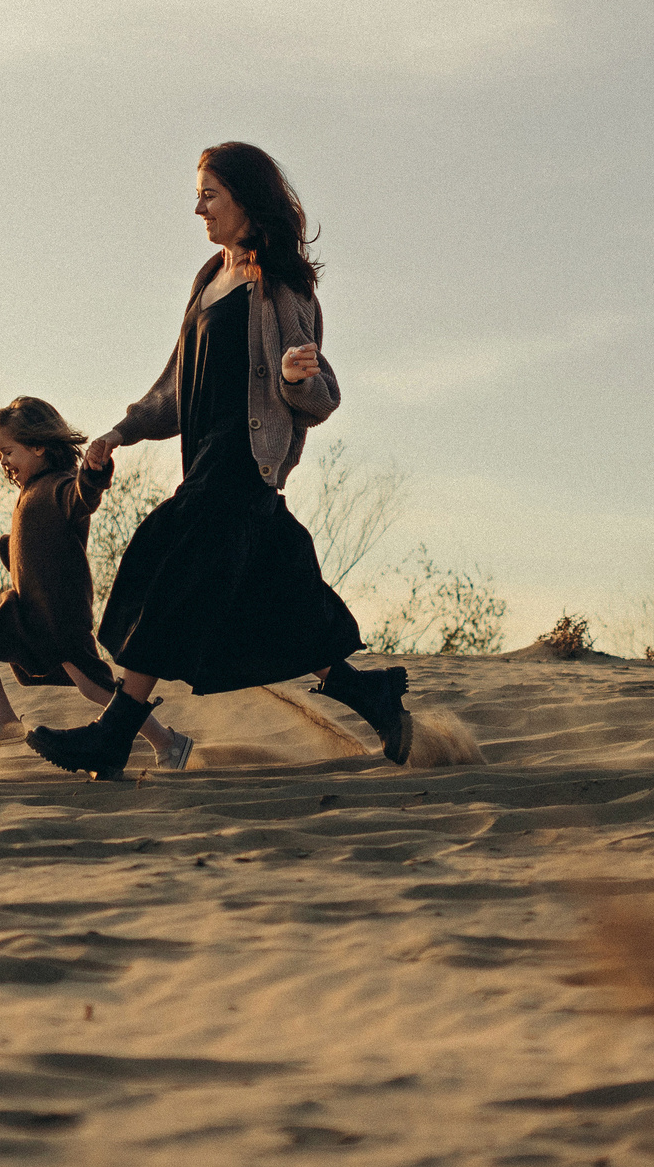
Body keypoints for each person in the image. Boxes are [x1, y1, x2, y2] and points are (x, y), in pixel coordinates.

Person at [26, 142, 410, 777]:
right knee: (275, 600)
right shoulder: (208, 279)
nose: (199, 208)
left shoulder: (279, 285)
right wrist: (122, 430)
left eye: (210, 195)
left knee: (166, 565)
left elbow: (319, 396)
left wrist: (293, 376)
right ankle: (370, 695)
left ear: (246, 202)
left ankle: (114, 735)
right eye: (199, 195)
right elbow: (179, 385)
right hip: (206, 457)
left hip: (241, 461)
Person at [0, 397, 191, 770]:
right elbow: (30, 543)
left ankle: (168, 742)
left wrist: (93, 473)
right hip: (28, 610)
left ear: (38, 446)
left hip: (60, 614)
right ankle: (5, 721)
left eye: (8, 452)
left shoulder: (60, 487)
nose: (3, 462)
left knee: (96, 689)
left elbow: (83, 497)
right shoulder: (31, 492)